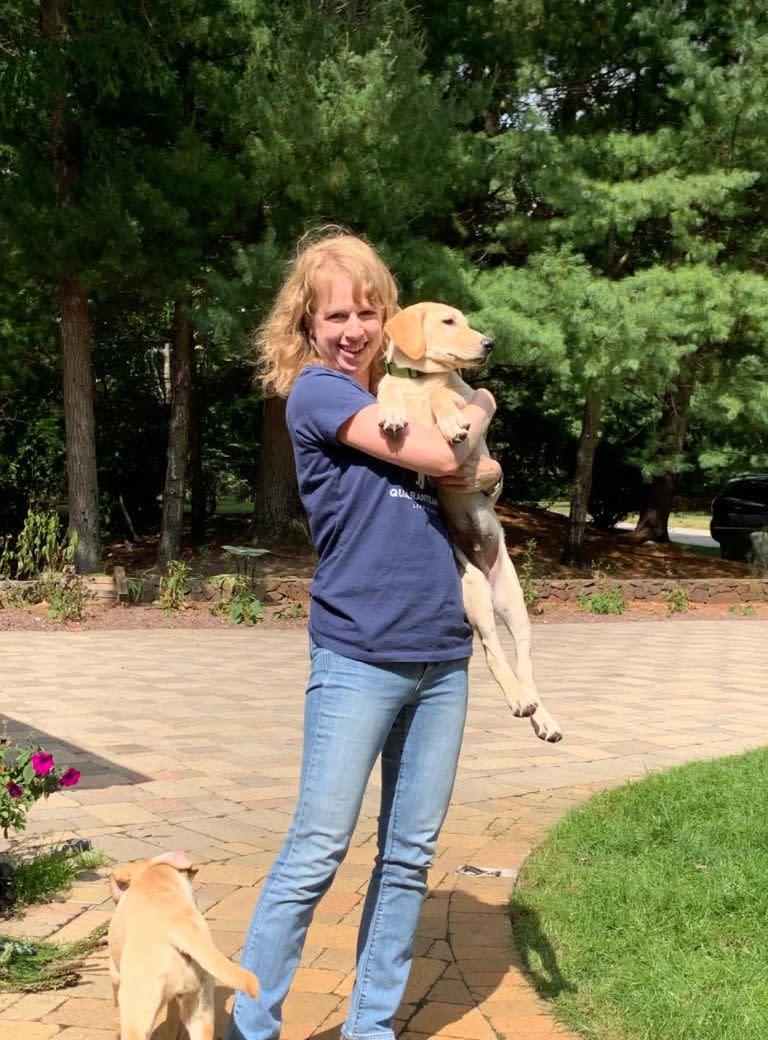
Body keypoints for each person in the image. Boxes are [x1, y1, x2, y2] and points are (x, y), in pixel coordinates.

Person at [228, 229, 501, 1040]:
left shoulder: (400, 387)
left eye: (367, 311)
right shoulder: (317, 393)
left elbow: (463, 456)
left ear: (388, 315)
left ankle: (370, 1028)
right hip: (357, 657)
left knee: (409, 858)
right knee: (316, 850)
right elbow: (454, 461)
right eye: (334, 314)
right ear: (307, 325)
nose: (352, 328)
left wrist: (471, 433)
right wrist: (479, 428)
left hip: (443, 655)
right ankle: (251, 1025)